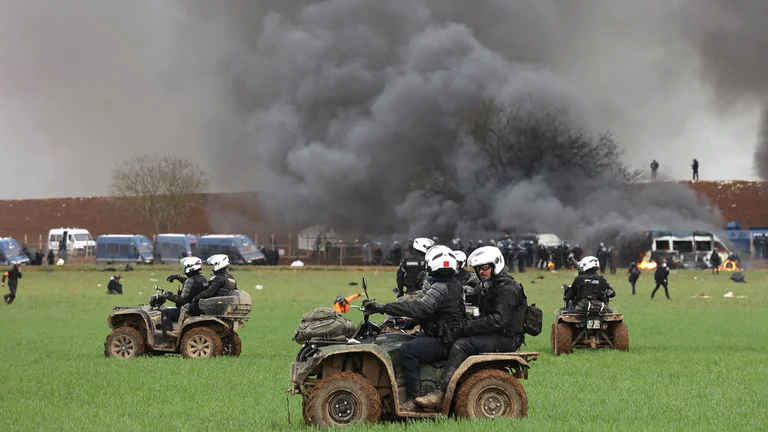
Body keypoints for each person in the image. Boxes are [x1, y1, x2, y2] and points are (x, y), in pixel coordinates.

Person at [415, 246, 528, 410]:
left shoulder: (507, 289)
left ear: (496, 265)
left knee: (462, 345)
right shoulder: (489, 285)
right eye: (478, 269)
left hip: (508, 338)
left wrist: (466, 327)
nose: (481, 272)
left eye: (485, 268)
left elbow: (499, 320)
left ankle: (440, 392)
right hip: (497, 333)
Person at [363, 249, 465, 412]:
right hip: (443, 336)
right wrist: (411, 323)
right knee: (404, 340)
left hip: (443, 341)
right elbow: (435, 311)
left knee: (407, 350)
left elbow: (420, 308)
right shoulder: (452, 284)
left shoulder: (441, 287)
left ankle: (412, 399)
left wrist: (383, 307)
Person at [160, 257, 209, 337]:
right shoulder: (203, 279)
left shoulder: (191, 280)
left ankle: (168, 336)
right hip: (199, 309)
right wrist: (178, 277)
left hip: (191, 311)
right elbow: (193, 285)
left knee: (165, 313)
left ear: (190, 267)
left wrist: (168, 296)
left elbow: (182, 300)